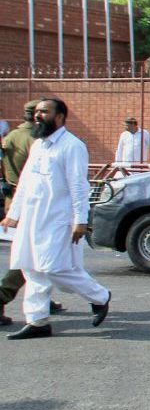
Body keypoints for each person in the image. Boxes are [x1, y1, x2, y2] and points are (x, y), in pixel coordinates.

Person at [1, 99, 111, 339]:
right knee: (30, 268)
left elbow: (79, 186)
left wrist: (80, 220)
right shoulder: (39, 145)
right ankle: (38, 321)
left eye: (44, 112)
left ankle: (100, 296)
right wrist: (13, 215)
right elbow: (25, 184)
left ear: (60, 117)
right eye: (37, 112)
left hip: (57, 219)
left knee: (52, 269)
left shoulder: (72, 146)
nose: (38, 116)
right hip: (32, 218)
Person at [1, 100, 66, 326]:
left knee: (33, 256)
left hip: (14, 199)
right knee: (28, 258)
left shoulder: (10, 137)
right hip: (36, 205)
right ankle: (2, 296)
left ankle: (42, 301)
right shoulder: (37, 140)